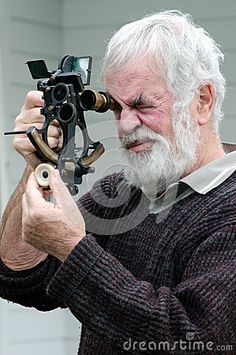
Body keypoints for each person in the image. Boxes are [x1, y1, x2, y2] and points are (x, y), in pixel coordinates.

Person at [0, 10, 236, 354]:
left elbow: (194, 337)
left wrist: (72, 248)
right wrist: (37, 162)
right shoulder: (119, 193)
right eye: (115, 108)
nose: (125, 125)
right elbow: (20, 278)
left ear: (202, 101)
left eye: (142, 105)